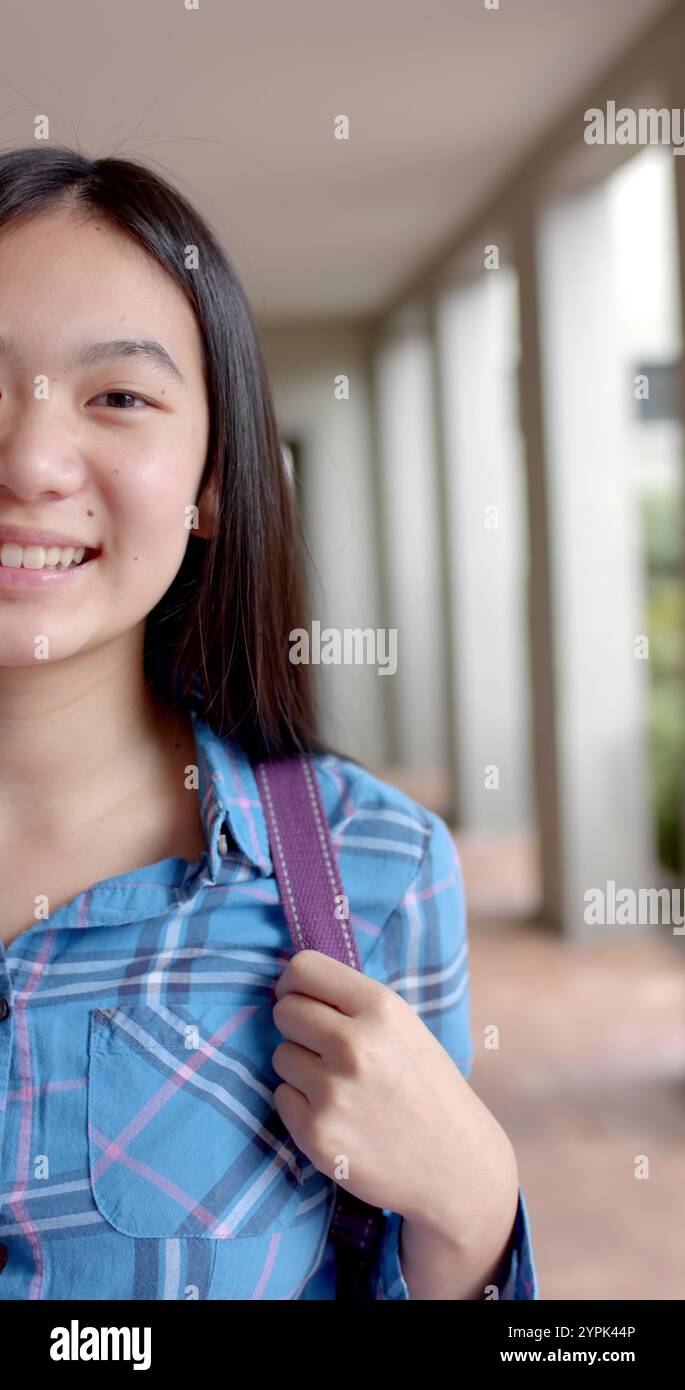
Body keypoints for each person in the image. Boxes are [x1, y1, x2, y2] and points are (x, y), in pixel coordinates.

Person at [0, 146, 537, 1300]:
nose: (33, 459)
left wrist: (472, 1196)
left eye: (119, 397)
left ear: (208, 481)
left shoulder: (371, 871)